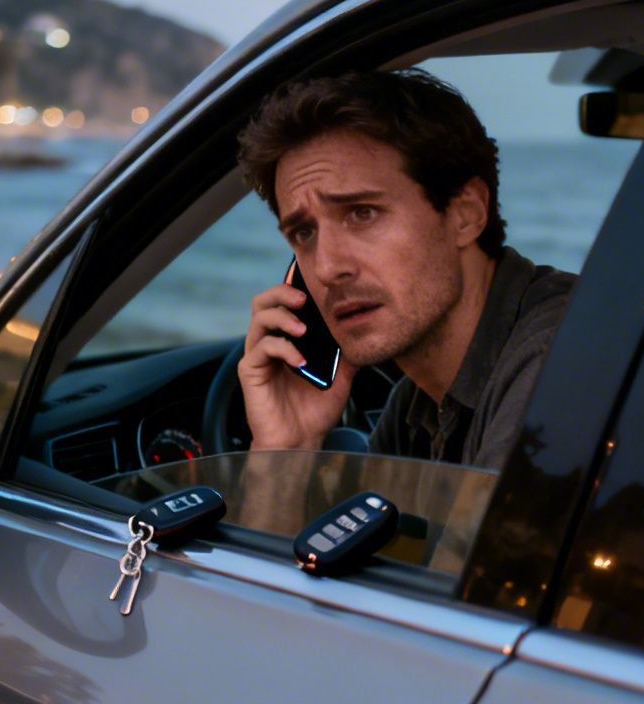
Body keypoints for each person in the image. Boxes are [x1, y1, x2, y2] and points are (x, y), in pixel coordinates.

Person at [236, 69, 576, 470]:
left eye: (362, 213)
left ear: (466, 214)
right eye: (304, 232)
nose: (327, 268)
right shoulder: (416, 405)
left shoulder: (560, 364)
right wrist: (287, 450)